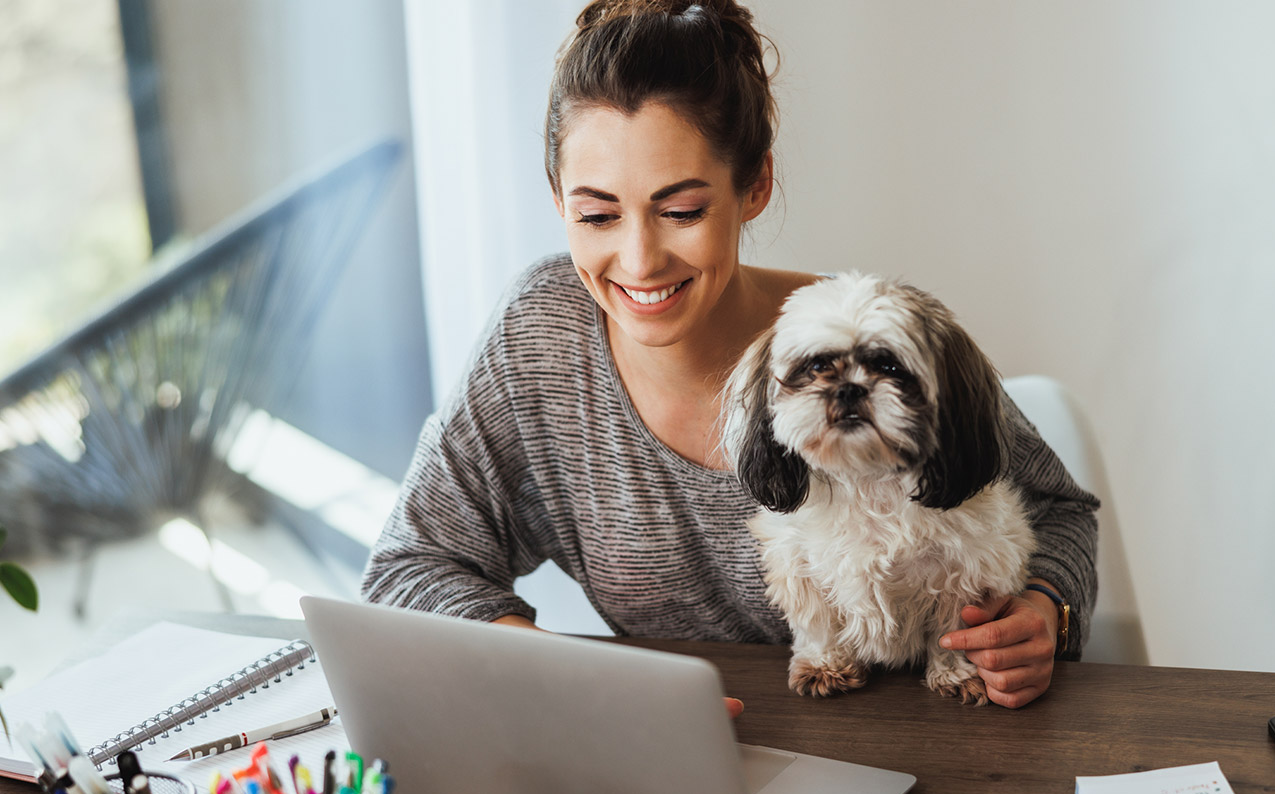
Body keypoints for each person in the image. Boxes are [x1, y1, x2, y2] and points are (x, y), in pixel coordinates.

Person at [362, 0, 1099, 710]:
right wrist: (571, 692)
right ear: (558, 199)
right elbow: (409, 567)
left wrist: (1045, 608)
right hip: (667, 756)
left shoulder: (858, 337)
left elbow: (1062, 513)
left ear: (754, 186)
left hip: (930, 744)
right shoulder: (542, 337)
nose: (640, 259)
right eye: (596, 214)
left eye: (681, 211)